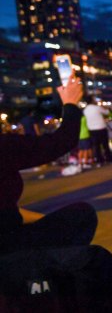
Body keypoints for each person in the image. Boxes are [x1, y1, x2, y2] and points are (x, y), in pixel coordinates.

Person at [0, 72, 97, 254]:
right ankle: (50, 275)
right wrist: (70, 103)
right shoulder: (4, 146)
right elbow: (61, 141)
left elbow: (8, 210)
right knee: (83, 215)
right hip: (9, 249)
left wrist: (45, 220)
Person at [84, 96, 112, 166]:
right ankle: (109, 159)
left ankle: (99, 161)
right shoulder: (97, 108)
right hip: (101, 128)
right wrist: (103, 105)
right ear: (92, 100)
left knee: (96, 146)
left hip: (92, 130)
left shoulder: (85, 110)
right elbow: (107, 112)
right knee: (105, 145)